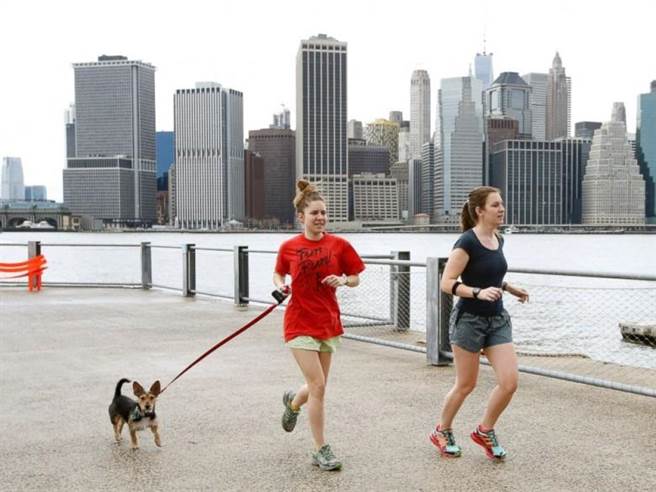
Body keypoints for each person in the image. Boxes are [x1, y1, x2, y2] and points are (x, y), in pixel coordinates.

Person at [429, 186, 529, 461]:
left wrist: (509, 287)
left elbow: (490, 274)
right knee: (466, 384)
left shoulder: (498, 239)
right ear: (480, 211)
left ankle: (485, 430)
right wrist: (477, 292)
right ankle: (442, 430)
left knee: (509, 382)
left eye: (502, 204)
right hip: (469, 320)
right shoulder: (466, 243)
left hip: (496, 319)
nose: (502, 209)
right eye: (495, 205)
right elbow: (447, 283)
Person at [273, 179, 365, 471]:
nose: (321, 217)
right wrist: (282, 286)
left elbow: (355, 277)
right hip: (299, 322)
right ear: (301, 216)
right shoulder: (289, 247)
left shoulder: (339, 245)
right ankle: (320, 449)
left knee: (316, 388)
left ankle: (293, 402)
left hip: (328, 322)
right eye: (314, 213)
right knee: (318, 385)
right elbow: (278, 274)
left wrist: (344, 280)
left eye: (324, 212)